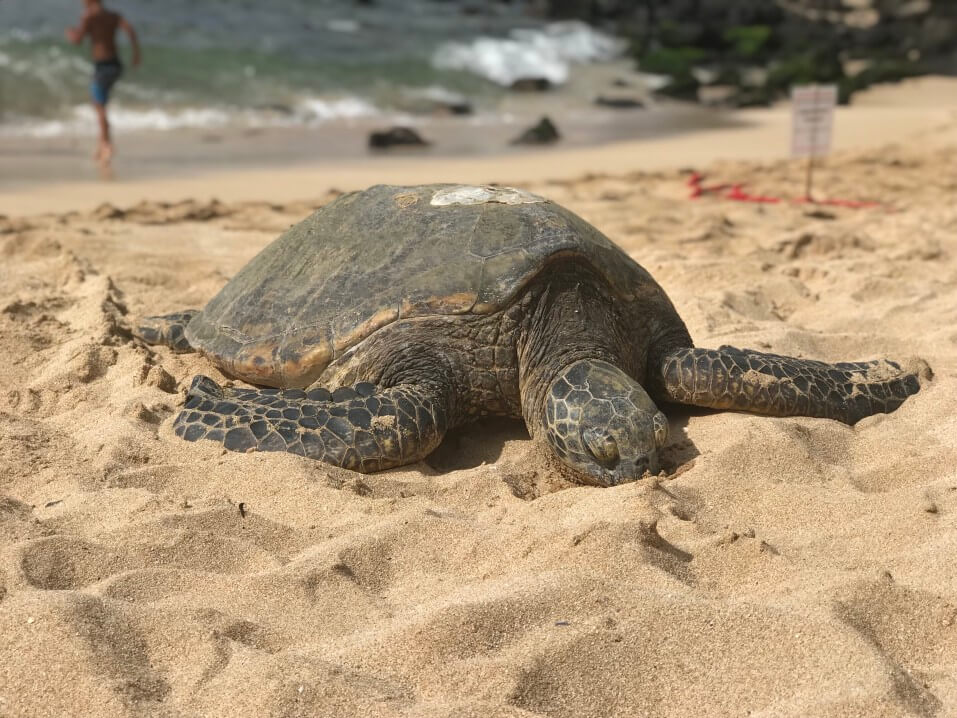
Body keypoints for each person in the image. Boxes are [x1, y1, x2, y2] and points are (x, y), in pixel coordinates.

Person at [66, 0, 141, 166]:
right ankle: (102, 144)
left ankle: (106, 144)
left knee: (99, 106)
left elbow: (78, 40)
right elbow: (130, 30)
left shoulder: (89, 16)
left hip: (101, 66)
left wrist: (71, 35)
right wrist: (136, 53)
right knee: (102, 105)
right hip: (115, 64)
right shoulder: (113, 16)